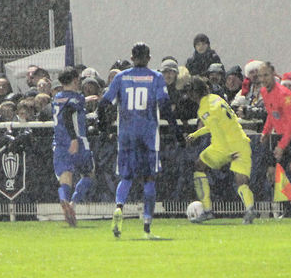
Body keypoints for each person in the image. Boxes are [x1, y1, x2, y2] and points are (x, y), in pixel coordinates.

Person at [99, 42, 182, 239]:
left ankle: (119, 207)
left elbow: (103, 103)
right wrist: (176, 131)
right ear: (148, 58)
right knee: (149, 178)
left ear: (132, 57)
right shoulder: (156, 77)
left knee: (126, 177)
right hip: (147, 136)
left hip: (126, 136)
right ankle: (147, 226)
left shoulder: (121, 77)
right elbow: (165, 105)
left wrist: (103, 127)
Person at [184, 76, 257, 224]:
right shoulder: (217, 98)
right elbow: (218, 122)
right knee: (241, 180)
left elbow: (214, 126)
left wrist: (227, 152)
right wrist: (196, 134)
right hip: (241, 142)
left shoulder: (204, 108)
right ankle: (250, 209)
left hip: (223, 146)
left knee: (199, 166)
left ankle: (207, 210)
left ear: (194, 93)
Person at [51, 67, 95, 226]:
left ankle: (64, 199)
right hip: (77, 142)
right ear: (75, 80)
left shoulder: (57, 98)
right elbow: (68, 113)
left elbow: (65, 109)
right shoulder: (77, 98)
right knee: (88, 174)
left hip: (59, 143)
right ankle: (73, 203)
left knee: (65, 177)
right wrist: (74, 138)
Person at [258, 61, 291, 197]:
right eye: (261, 76)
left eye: (266, 75)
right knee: (271, 172)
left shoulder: (284, 93)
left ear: (273, 75)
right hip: (280, 135)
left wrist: (282, 145)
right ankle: (285, 203)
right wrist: (266, 131)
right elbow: (271, 114)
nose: (263, 79)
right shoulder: (264, 92)